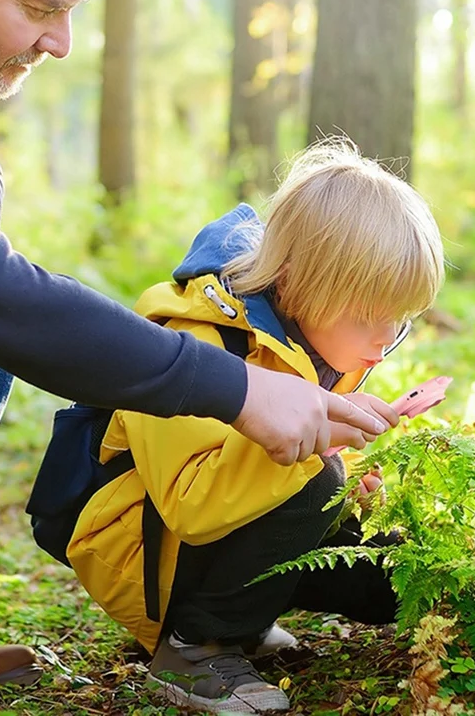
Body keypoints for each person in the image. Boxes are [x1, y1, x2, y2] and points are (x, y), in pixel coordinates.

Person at [0, 0, 386, 686]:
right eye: (40, 8)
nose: (61, 42)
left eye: (70, 8)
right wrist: (237, 388)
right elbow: (12, 302)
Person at [66, 141, 446, 714]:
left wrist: (356, 483)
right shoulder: (191, 342)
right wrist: (326, 455)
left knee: (390, 578)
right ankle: (196, 647)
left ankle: (238, 619)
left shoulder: (314, 340)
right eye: (368, 316)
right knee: (313, 478)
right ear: (296, 284)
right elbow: (190, 507)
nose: (381, 340)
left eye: (399, 321)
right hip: (145, 553)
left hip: (218, 532)